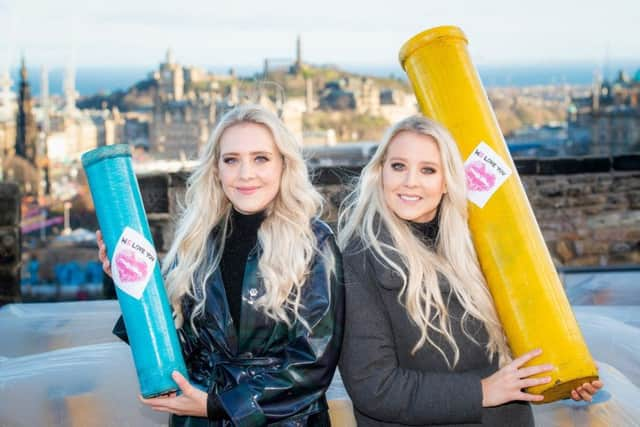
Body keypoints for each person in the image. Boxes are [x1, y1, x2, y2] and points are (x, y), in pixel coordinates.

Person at [337, 115, 602, 426]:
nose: (410, 181)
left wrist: (562, 375)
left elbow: (514, 349)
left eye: (428, 170)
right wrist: (482, 391)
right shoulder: (358, 259)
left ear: (447, 181)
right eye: (398, 166)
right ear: (380, 172)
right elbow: (375, 387)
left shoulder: (480, 245)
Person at [98, 104, 344, 427]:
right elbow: (178, 345)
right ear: (216, 169)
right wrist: (130, 285)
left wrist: (220, 404)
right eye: (231, 160)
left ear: (284, 165)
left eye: (261, 158)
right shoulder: (196, 240)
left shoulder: (314, 243)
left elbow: (312, 364)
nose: (245, 174)